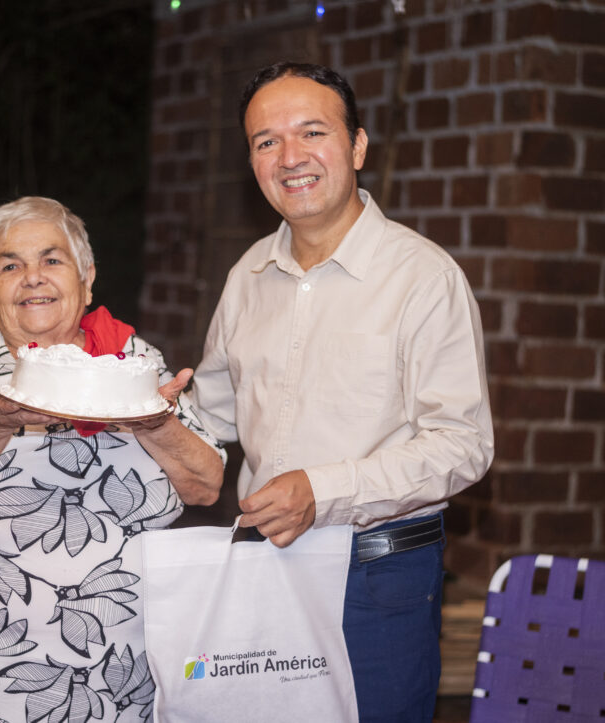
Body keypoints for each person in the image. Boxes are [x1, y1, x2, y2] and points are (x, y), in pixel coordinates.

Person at [190, 62, 494, 721]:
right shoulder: (247, 277)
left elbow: (464, 446)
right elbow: (211, 417)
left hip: (378, 580)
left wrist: (321, 490)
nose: (289, 156)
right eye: (266, 141)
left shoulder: (422, 278)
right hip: (265, 569)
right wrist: (150, 410)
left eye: (311, 132)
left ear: (357, 146)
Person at [0, 196, 224, 722]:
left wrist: (153, 421)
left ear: (86, 279)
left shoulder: (132, 364)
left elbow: (206, 486)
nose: (32, 277)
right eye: (9, 265)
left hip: (124, 679)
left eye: (51, 259)